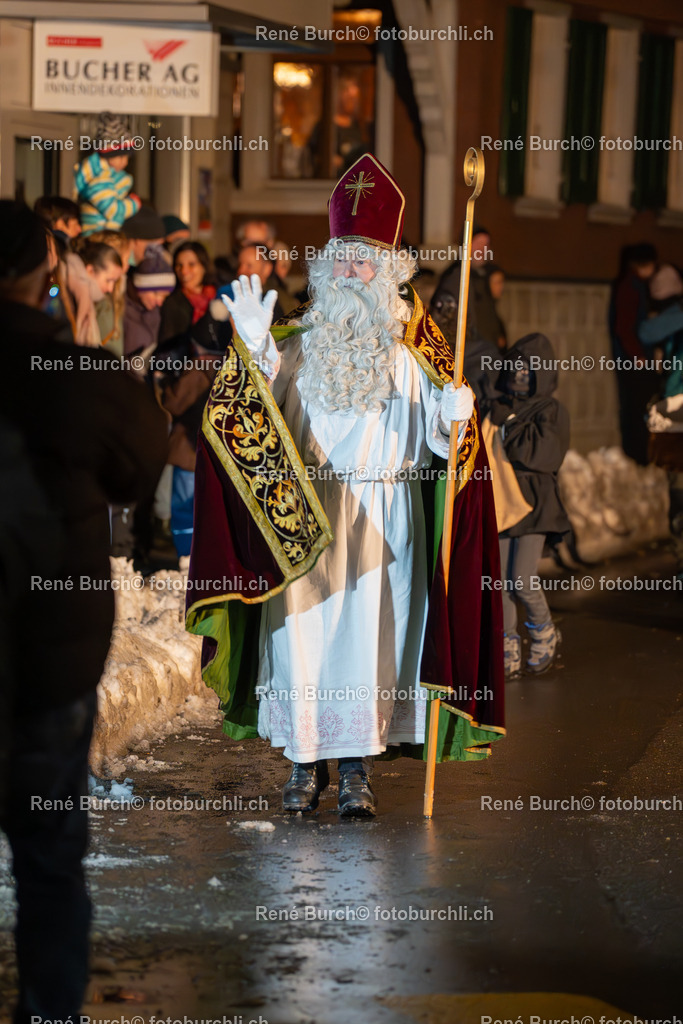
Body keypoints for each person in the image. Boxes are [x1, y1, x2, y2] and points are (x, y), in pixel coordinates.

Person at [186, 154, 505, 818]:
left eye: (365, 261)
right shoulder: (293, 346)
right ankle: (304, 764)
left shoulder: (415, 357)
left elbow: (442, 459)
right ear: (325, 269)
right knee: (299, 640)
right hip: (304, 521)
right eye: (341, 260)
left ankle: (357, 766)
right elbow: (249, 427)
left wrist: (454, 424)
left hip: (386, 525)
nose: (350, 272)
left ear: (388, 273)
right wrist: (251, 353)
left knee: (372, 642)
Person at [0, 200, 167, 1024]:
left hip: (43, 650)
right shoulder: (76, 376)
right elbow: (139, 471)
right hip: (47, 657)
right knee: (49, 861)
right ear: (42, 274)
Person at [489, 333, 570, 678]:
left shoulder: (550, 410)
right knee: (500, 582)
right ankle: (508, 642)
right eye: (515, 367)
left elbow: (541, 455)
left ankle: (543, 629)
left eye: (528, 369)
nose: (519, 375)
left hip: (535, 505)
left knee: (522, 578)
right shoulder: (496, 407)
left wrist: (509, 426)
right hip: (503, 502)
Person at [608, 243, 659, 464]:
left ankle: (639, 453)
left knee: (636, 407)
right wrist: (638, 356)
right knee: (637, 408)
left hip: (632, 358)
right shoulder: (631, 287)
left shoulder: (630, 285)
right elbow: (625, 327)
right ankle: (639, 455)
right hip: (634, 360)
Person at [430, 224, 500, 350]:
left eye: (486, 245)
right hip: (468, 357)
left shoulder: (481, 277)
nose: (482, 250)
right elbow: (447, 321)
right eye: (478, 244)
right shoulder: (457, 276)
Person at [74, 113, 141, 235]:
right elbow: (113, 211)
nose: (125, 162)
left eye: (127, 158)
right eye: (121, 157)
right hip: (99, 235)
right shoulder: (99, 179)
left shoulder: (102, 176)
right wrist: (134, 203)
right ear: (108, 155)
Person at [69, 239, 124, 346]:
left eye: (114, 282)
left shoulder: (87, 301)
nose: (110, 289)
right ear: (90, 271)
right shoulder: (70, 297)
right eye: (108, 280)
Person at [236, 243, 288, 318]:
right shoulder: (233, 294)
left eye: (249, 265)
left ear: (267, 268)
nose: (241, 271)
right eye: (239, 264)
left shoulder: (279, 301)